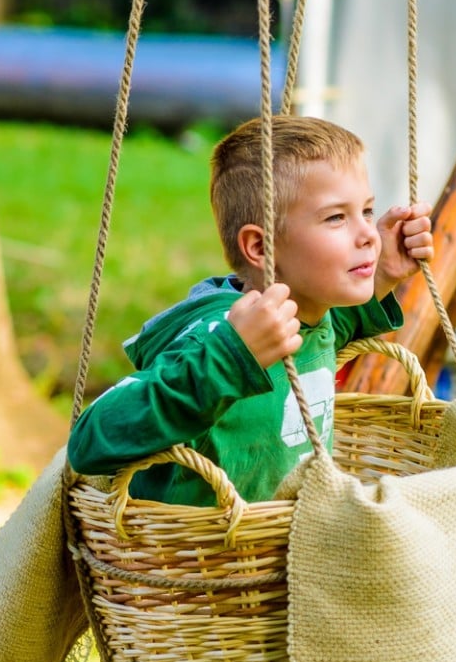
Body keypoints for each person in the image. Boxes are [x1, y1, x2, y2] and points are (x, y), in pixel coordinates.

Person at [67, 115, 433, 506]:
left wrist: (383, 278)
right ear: (260, 248)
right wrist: (230, 359)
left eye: (366, 210)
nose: (367, 235)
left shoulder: (307, 312)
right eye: (336, 218)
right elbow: (88, 441)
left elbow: (323, 330)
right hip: (197, 556)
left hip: (281, 548)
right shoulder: (219, 335)